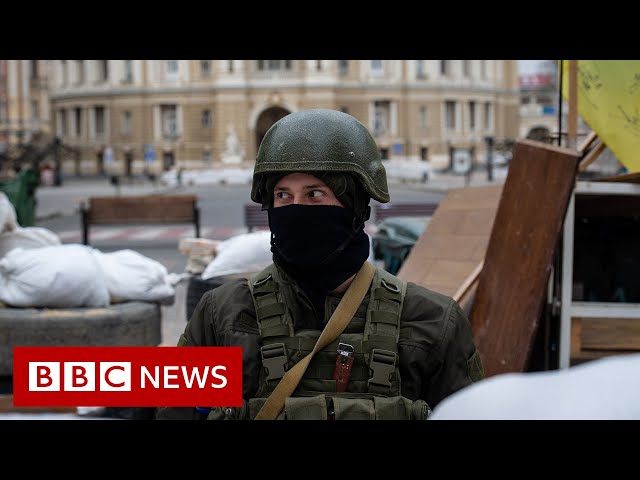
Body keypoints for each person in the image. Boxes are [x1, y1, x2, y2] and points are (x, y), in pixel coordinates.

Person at [156, 109, 483, 420]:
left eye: (314, 194)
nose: (296, 209)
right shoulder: (221, 314)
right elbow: (175, 411)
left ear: (356, 207)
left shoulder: (433, 322)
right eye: (283, 196)